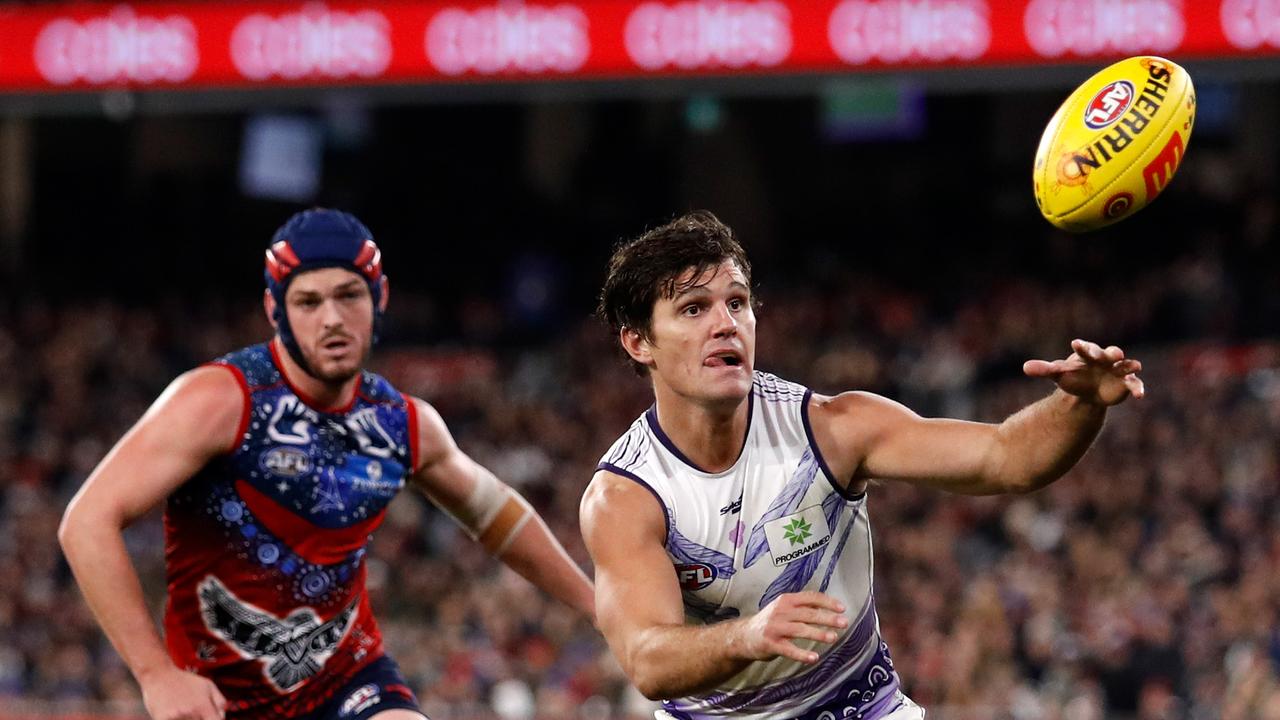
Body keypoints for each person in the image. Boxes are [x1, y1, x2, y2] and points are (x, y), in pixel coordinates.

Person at [580, 210, 1145, 720]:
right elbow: (647, 660)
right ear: (638, 343)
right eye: (693, 309)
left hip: (858, 705)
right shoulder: (627, 495)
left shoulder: (830, 428)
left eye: (737, 301)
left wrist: (1082, 403)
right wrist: (746, 636)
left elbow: (1008, 459)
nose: (726, 323)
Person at [59, 208, 595, 720]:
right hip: (219, 701)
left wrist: (600, 610)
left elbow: (497, 516)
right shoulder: (218, 401)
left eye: (349, 295)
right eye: (309, 302)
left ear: (379, 296)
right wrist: (154, 673)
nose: (333, 319)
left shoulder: (404, 423)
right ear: (276, 311)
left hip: (349, 682)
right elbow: (86, 522)